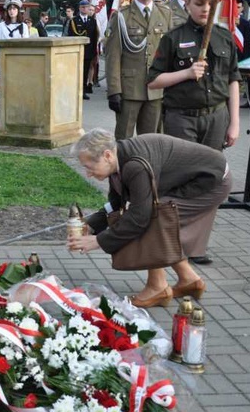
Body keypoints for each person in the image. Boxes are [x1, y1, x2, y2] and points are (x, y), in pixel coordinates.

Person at [68, 129, 232, 308]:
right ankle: (189, 280)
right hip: (199, 176)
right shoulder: (118, 159)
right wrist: (91, 226)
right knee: (154, 214)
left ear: (107, 155)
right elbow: (116, 202)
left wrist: (98, 241)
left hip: (211, 181)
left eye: (89, 167)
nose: (88, 174)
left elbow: (140, 217)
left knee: (154, 218)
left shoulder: (134, 166)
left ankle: (158, 287)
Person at [147, 0, 241, 154]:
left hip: (216, 117)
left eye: (211, 4)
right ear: (188, 3)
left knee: (211, 172)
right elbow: (154, 81)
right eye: (199, 3)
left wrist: (235, 122)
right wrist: (187, 73)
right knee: (183, 172)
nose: (205, 9)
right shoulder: (173, 38)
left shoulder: (225, 37)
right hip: (182, 120)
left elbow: (233, 79)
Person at [105, 0, 172, 140]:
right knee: (124, 139)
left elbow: (170, 54)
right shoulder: (121, 16)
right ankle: (124, 164)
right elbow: (113, 56)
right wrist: (114, 90)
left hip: (156, 90)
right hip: (129, 90)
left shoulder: (165, 14)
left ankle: (147, 165)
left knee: (152, 141)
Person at [0, 0, 29, 115]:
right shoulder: (0, 26)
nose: (12, 11)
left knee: (17, 83)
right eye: (10, 9)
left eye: (14, 9)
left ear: (18, 11)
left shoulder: (23, 26)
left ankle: (17, 107)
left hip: (18, 58)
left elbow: (25, 43)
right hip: (3, 57)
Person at [68, 0, 99, 99]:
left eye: (87, 7)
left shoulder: (92, 21)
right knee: (76, 71)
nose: (85, 9)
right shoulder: (74, 21)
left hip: (88, 51)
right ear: (79, 8)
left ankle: (83, 91)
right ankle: (74, 90)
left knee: (85, 71)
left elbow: (94, 37)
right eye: (83, 7)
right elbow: (71, 36)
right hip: (77, 50)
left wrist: (95, 52)